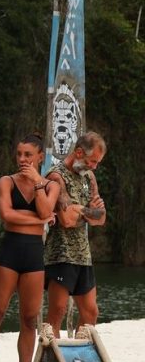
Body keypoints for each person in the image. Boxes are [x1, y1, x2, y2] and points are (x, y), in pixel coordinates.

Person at [0, 134, 59, 362]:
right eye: (19, 154)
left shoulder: (51, 185)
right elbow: (7, 215)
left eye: (28, 155)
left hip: (34, 255)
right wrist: (39, 221)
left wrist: (37, 184)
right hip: (9, 253)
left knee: (30, 318)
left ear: (40, 157)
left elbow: (45, 210)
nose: (22, 159)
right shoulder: (6, 182)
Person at [43, 131, 107, 338]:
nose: (94, 166)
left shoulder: (89, 177)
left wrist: (79, 209)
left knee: (91, 312)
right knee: (57, 311)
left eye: (97, 162)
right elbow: (66, 219)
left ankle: (80, 355)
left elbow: (101, 218)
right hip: (61, 254)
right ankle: (51, 356)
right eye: (92, 161)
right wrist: (89, 212)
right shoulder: (56, 176)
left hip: (83, 255)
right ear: (79, 152)